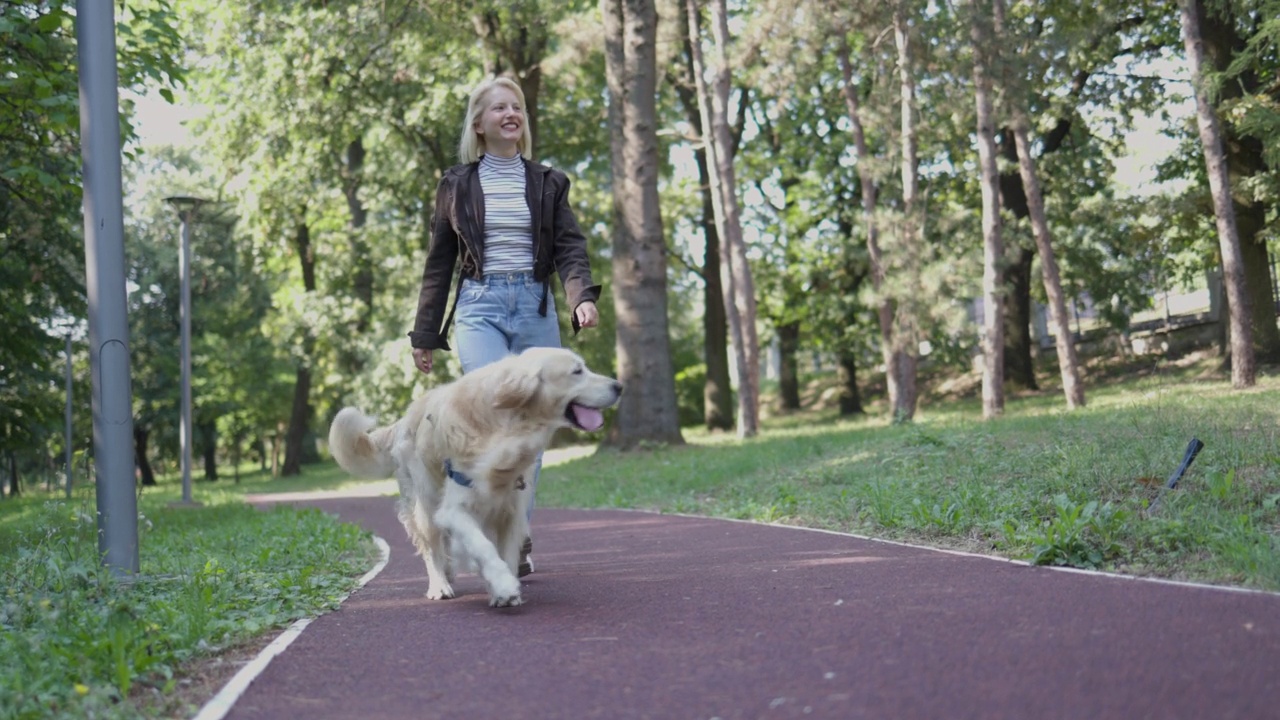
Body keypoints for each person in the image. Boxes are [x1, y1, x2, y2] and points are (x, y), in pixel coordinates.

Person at [407, 76, 602, 577]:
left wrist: (579, 297)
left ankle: (516, 536)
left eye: (516, 107)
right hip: (480, 307)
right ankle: (487, 525)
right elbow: (439, 262)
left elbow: (569, 247)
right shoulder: (456, 185)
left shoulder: (548, 182)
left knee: (534, 426)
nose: (511, 114)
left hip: (534, 309)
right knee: (493, 418)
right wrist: (425, 333)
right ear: (479, 122)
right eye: (499, 108)